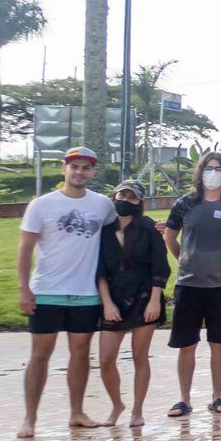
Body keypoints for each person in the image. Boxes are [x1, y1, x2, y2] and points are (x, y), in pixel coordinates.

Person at [16, 146, 117, 437]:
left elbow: (120, 231)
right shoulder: (42, 205)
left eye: (86, 167)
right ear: (64, 169)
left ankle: (77, 411)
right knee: (40, 354)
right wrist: (24, 288)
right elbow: (25, 248)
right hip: (47, 290)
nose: (80, 172)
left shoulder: (102, 205)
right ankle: (30, 418)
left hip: (85, 292)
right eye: (74, 167)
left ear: (93, 172)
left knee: (81, 353)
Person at [164, 150, 221, 418]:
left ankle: (217, 395)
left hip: (220, 286)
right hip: (188, 285)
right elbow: (170, 237)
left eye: (218, 169)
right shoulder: (185, 204)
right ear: (200, 172)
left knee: (218, 343)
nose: (213, 173)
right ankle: (183, 399)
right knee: (187, 344)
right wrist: (184, 259)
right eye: (208, 168)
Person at [96, 179, 169, 427]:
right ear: (114, 195)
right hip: (113, 298)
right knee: (106, 359)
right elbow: (100, 271)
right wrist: (107, 303)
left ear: (139, 202)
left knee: (140, 357)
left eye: (132, 197)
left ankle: (137, 410)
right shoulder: (103, 230)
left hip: (144, 298)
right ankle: (117, 404)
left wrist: (155, 301)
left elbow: (160, 266)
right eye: (122, 195)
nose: (125, 201)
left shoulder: (149, 228)